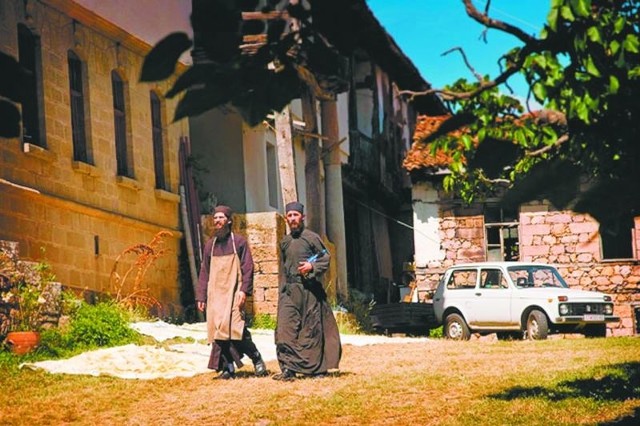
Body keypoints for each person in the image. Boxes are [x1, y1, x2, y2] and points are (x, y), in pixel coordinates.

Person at [196, 205, 268, 379]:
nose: (217, 221)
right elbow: (204, 272)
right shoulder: (210, 246)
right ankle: (228, 367)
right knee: (219, 331)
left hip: (234, 293)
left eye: (221, 218)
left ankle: (256, 358)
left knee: (237, 329)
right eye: (215, 218)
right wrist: (201, 296)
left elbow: (248, 268)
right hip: (216, 296)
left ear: (229, 221)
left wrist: (244, 290)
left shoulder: (239, 242)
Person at [273, 201, 342, 381]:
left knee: (311, 329)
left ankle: (316, 369)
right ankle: (288, 368)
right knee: (284, 329)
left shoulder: (312, 238)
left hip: (309, 290)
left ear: (302, 217)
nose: (293, 219)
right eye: (289, 216)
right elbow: (283, 267)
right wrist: (281, 292)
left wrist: (312, 266)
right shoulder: (285, 242)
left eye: (296, 215)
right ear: (286, 219)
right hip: (289, 291)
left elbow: (325, 256)